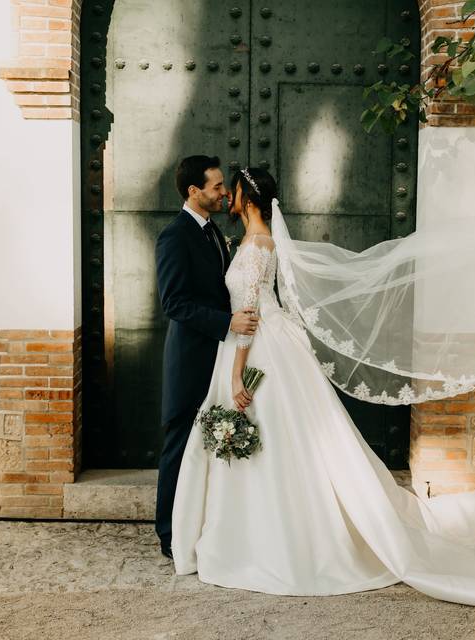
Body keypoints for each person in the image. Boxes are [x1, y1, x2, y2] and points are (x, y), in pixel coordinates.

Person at [167, 166, 475, 621]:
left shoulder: (253, 248)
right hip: (274, 346)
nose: (225, 195)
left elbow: (247, 316)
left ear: (245, 197)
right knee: (290, 446)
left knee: (272, 441)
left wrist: (235, 377)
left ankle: (263, 540)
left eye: (230, 188)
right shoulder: (258, 242)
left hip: (255, 351)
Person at [153, 155, 259, 560]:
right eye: (216, 187)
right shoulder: (174, 236)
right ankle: (169, 535)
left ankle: (200, 524)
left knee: (203, 445)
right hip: (191, 357)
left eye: (223, 186)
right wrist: (227, 323)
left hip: (218, 354)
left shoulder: (214, 231)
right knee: (179, 443)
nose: (224, 193)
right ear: (193, 191)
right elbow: (175, 303)